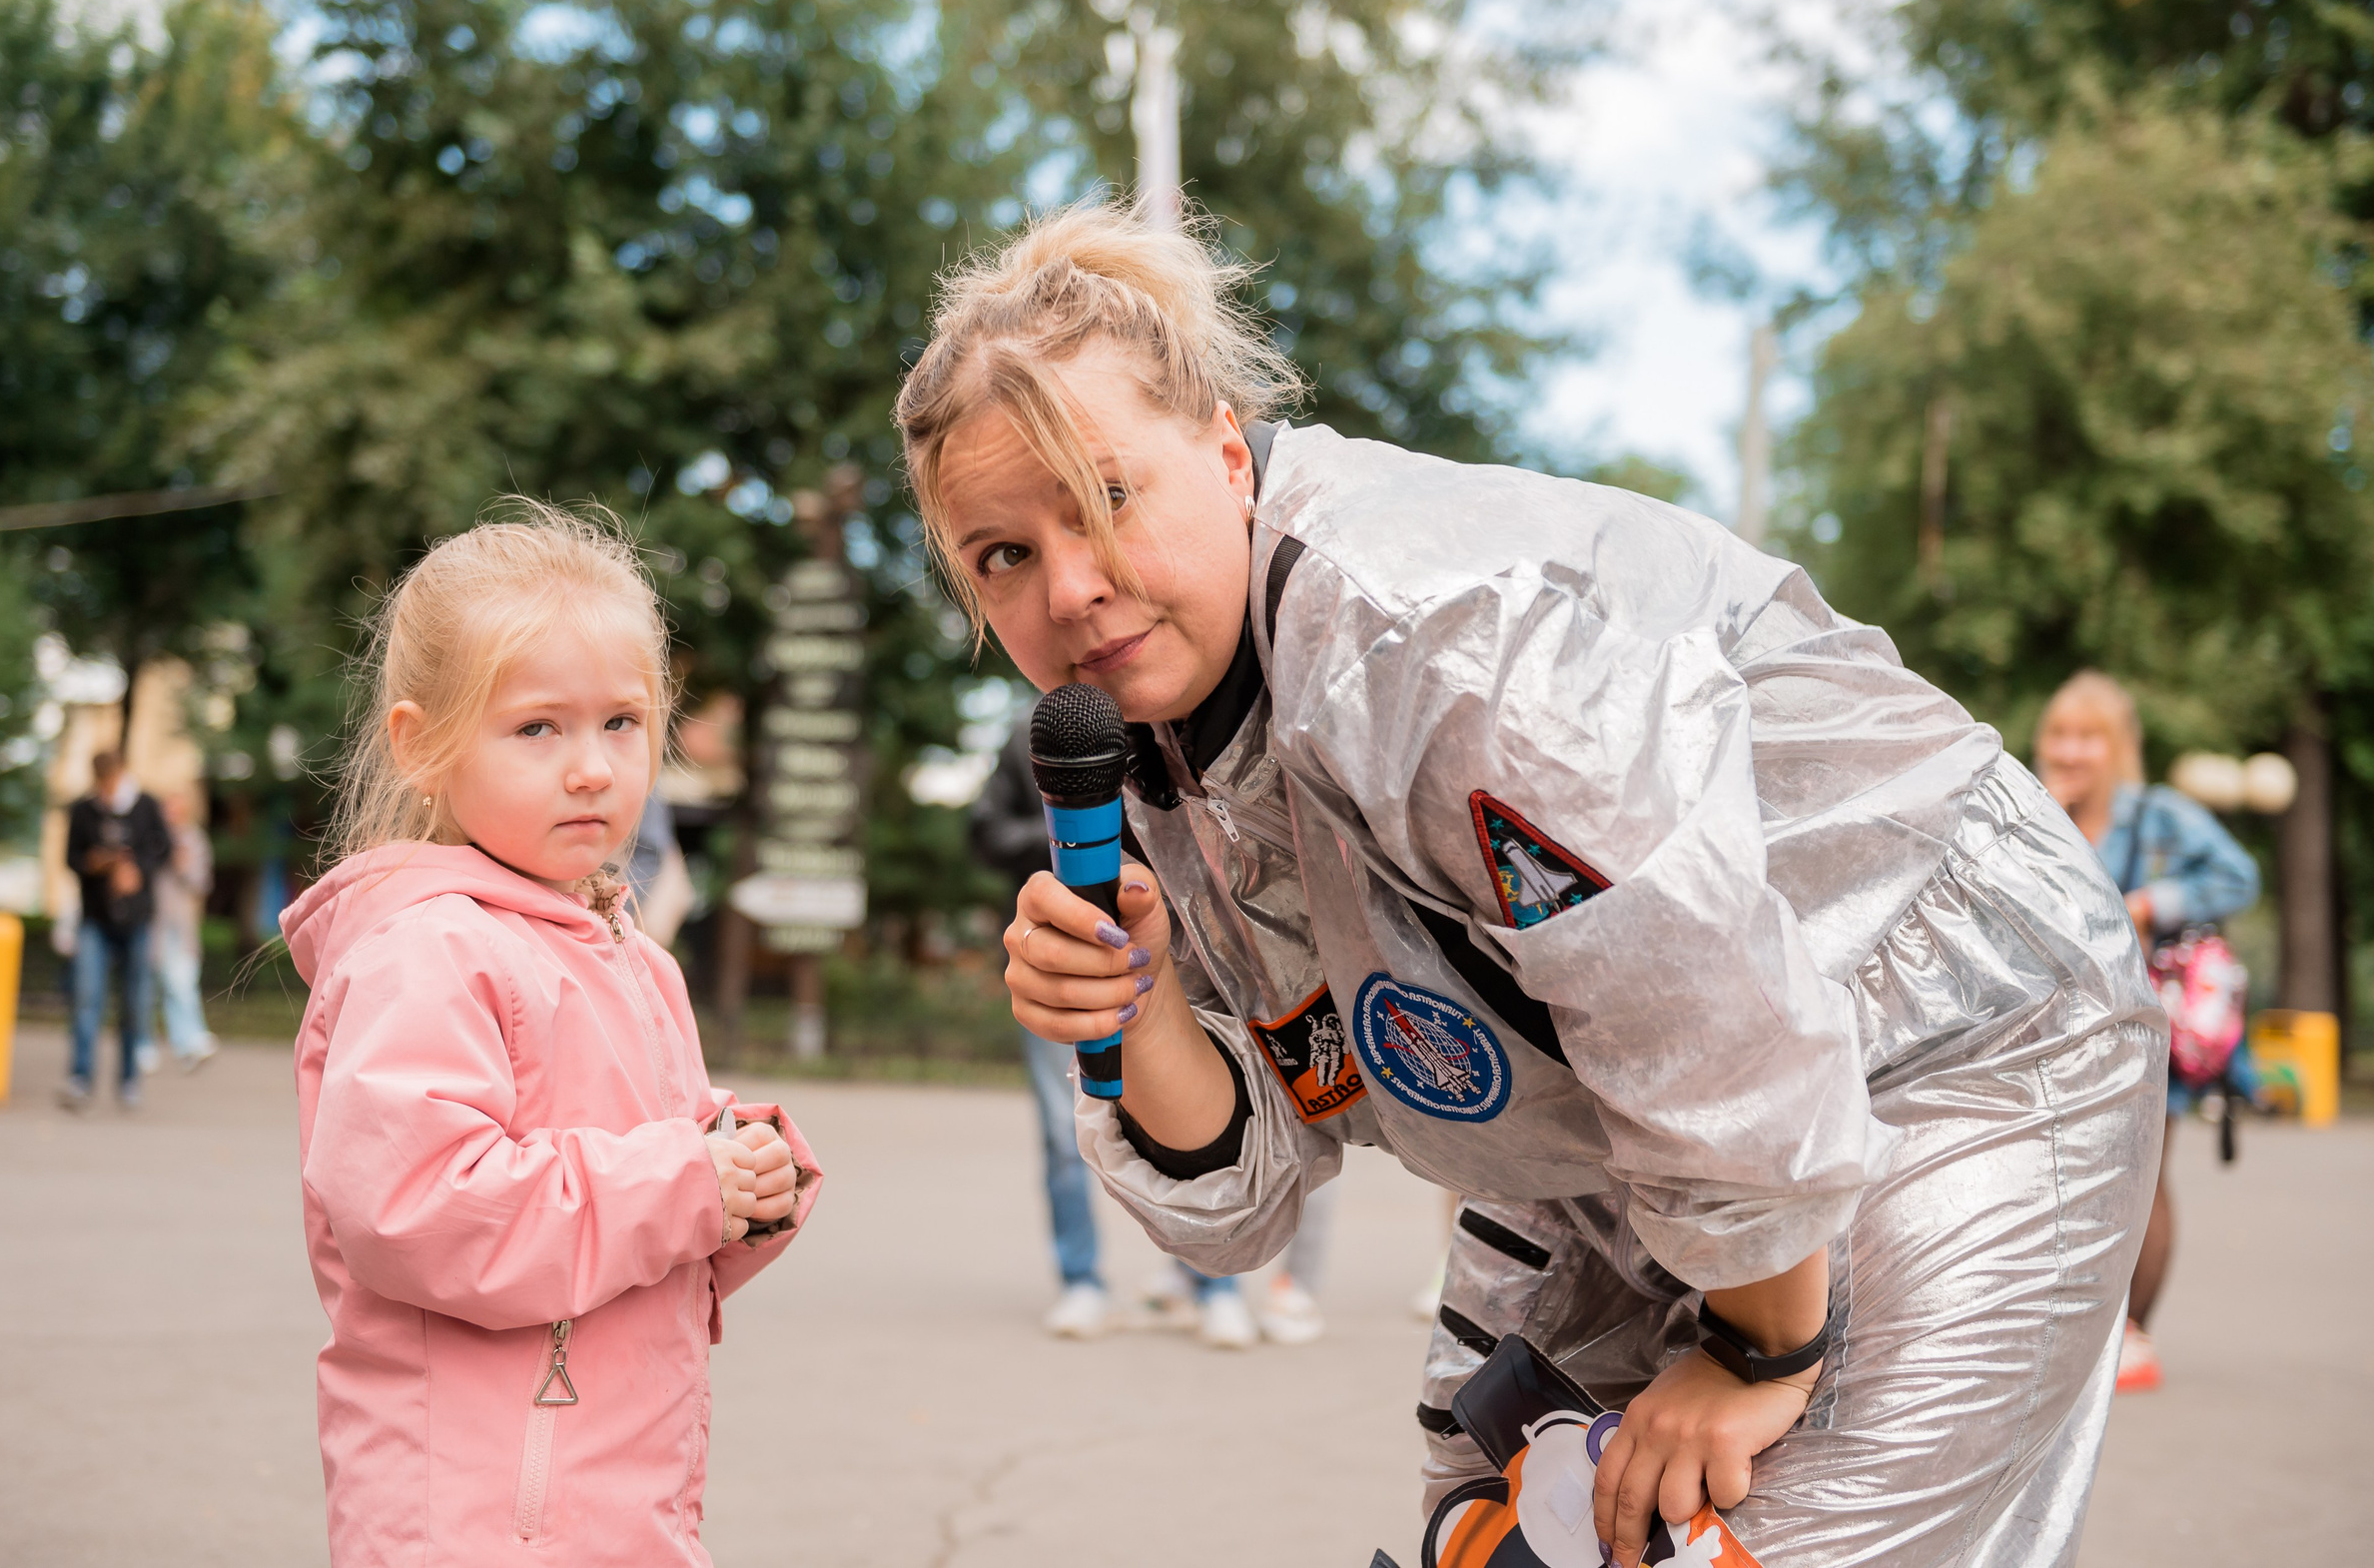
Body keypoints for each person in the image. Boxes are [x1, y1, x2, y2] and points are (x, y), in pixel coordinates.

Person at [896, 199, 2163, 1568]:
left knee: (1756, 1550)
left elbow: (1693, 988)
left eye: (1105, 496)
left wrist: (1755, 1349)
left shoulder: (1436, 641)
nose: (1069, 588)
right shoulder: (1145, 752)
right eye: (1002, 556)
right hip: (1608, 1135)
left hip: (1937, 1029)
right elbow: (1249, 1188)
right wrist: (1136, 1006)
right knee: (1484, 1533)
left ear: (1224, 449)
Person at [280, 503, 822, 1566]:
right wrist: (688, 1179)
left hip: (625, 1503)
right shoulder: (428, 947)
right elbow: (417, 1208)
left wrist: (742, 1173)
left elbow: (639, 1215)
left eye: (622, 721)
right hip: (480, 1519)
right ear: (420, 742)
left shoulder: (636, 958)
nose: (592, 767)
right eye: (538, 728)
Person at [2033, 669, 2259, 1395]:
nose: (2070, 749)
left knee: (2142, 1175)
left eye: (2088, 736)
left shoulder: (2160, 816)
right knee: (2063, 1179)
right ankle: (2071, 1334)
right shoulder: (2029, 810)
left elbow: (2240, 876)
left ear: (2120, 746)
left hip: (2147, 1025)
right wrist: (2043, 819)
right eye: (2059, 733)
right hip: (2058, 1029)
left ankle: (2134, 1331)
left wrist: (2152, 902)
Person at [970, 717, 1118, 1338]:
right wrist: (1070, 838)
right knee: (1064, 1131)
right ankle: (1081, 1281)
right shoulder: (1028, 735)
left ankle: (1209, 1281)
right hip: (1054, 961)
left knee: (1188, 1109)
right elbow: (985, 830)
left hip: (1162, 954)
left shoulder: (1156, 719)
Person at [59, 751, 171, 1112]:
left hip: (136, 919)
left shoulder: (145, 805)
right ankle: (80, 1077)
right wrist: (95, 864)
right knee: (87, 997)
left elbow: (164, 849)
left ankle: (128, 1079)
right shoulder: (84, 810)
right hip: (96, 917)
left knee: (134, 1003)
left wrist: (137, 870)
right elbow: (71, 858)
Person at [151, 792, 219, 1073]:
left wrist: (184, 866)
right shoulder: (152, 837)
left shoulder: (195, 840)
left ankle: (192, 1040)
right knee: (157, 986)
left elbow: (201, 883)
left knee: (181, 983)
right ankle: (171, 1043)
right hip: (152, 922)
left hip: (181, 926)